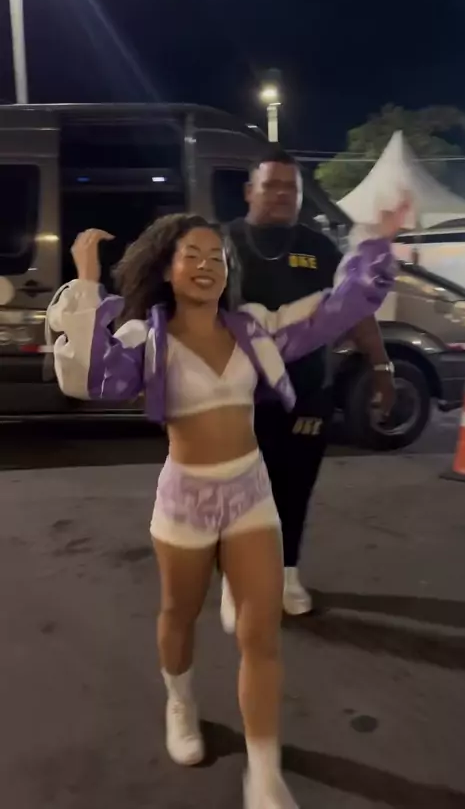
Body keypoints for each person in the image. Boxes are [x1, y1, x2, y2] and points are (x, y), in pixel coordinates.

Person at [46, 211, 401, 809]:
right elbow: (87, 379)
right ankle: (180, 702)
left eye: (217, 256)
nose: (207, 265)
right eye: (193, 254)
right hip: (185, 500)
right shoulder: (145, 338)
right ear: (168, 267)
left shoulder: (253, 329)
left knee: (261, 637)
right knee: (178, 615)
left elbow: (333, 310)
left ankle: (264, 773)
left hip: (249, 495)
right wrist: (85, 282)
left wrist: (373, 244)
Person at [221, 150, 396, 628]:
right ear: (249, 191)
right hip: (238, 398)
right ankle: (239, 579)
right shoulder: (221, 242)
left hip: (308, 394)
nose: (282, 194)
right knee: (241, 492)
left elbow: (355, 307)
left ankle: (287, 574)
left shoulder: (320, 248)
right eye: (272, 185)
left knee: (294, 489)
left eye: (291, 188)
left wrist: (381, 367)